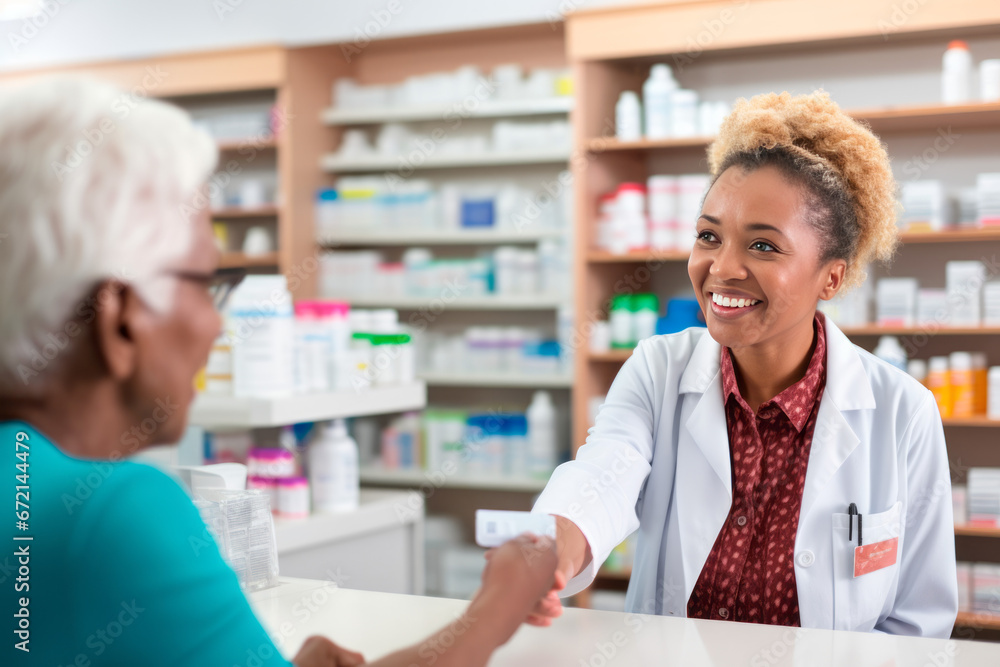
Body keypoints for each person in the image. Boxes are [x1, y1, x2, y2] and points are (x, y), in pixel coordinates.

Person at [0, 77, 558, 666]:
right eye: (205, 284)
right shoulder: (110, 517)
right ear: (119, 319)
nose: (217, 326)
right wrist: (500, 603)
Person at [530, 91, 957, 636]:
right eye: (709, 236)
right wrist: (548, 550)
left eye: (763, 246)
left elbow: (919, 623)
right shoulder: (658, 370)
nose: (721, 268)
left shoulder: (903, 413)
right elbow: (601, 476)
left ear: (832, 277)